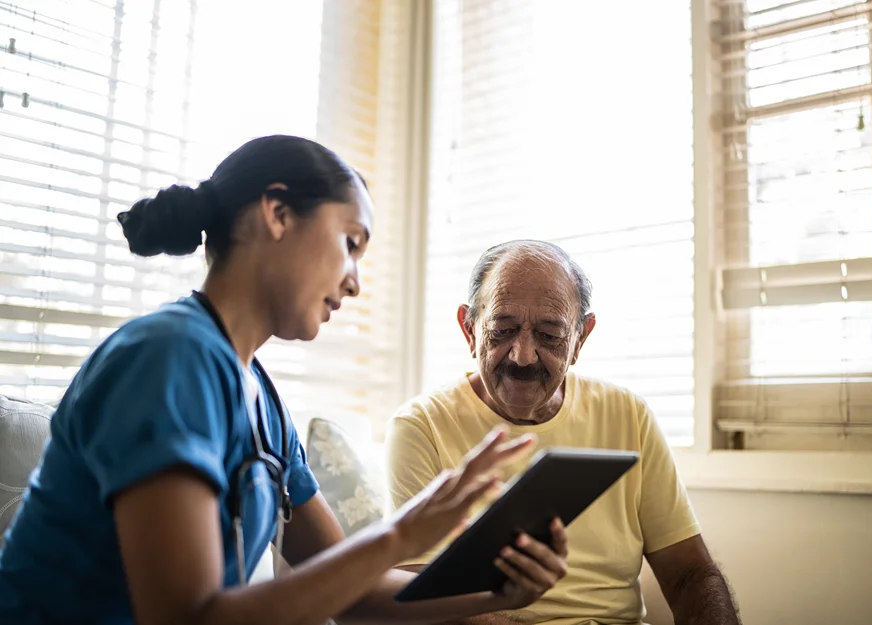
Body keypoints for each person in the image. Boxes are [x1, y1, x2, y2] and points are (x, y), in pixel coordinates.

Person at [0, 136, 569, 625]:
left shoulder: (262, 401)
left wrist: (492, 588)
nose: (355, 284)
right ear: (277, 214)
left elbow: (350, 591)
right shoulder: (168, 358)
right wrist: (402, 535)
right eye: (350, 244)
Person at [386, 240, 740, 625]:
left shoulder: (629, 414)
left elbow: (690, 573)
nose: (523, 355)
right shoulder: (421, 427)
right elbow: (417, 606)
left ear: (580, 339)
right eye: (501, 330)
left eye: (550, 335)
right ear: (469, 330)